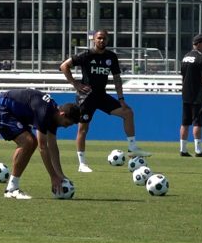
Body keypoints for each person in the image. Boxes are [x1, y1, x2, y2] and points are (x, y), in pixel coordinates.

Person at [59, 29, 151, 173]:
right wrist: (75, 83)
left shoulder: (111, 57)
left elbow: (117, 78)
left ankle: (132, 148)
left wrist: (121, 99)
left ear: (107, 40)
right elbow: (64, 66)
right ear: (94, 40)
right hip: (87, 98)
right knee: (83, 129)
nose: (101, 41)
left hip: (102, 96)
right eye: (99, 38)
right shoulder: (86, 55)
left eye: (104, 39)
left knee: (128, 112)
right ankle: (82, 164)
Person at [0, 89, 81, 199]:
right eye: (67, 123)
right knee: (28, 142)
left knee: (30, 143)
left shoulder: (53, 115)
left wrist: (60, 174)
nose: (66, 126)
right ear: (62, 114)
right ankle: (11, 189)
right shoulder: (45, 112)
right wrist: (53, 176)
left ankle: (12, 186)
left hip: (8, 110)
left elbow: (53, 147)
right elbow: (43, 147)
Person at [179, 34, 202, 157]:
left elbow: (183, 77)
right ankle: (198, 150)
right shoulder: (201, 58)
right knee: (197, 123)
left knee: (185, 122)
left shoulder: (185, 57)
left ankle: (183, 150)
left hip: (186, 94)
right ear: (199, 44)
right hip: (198, 95)